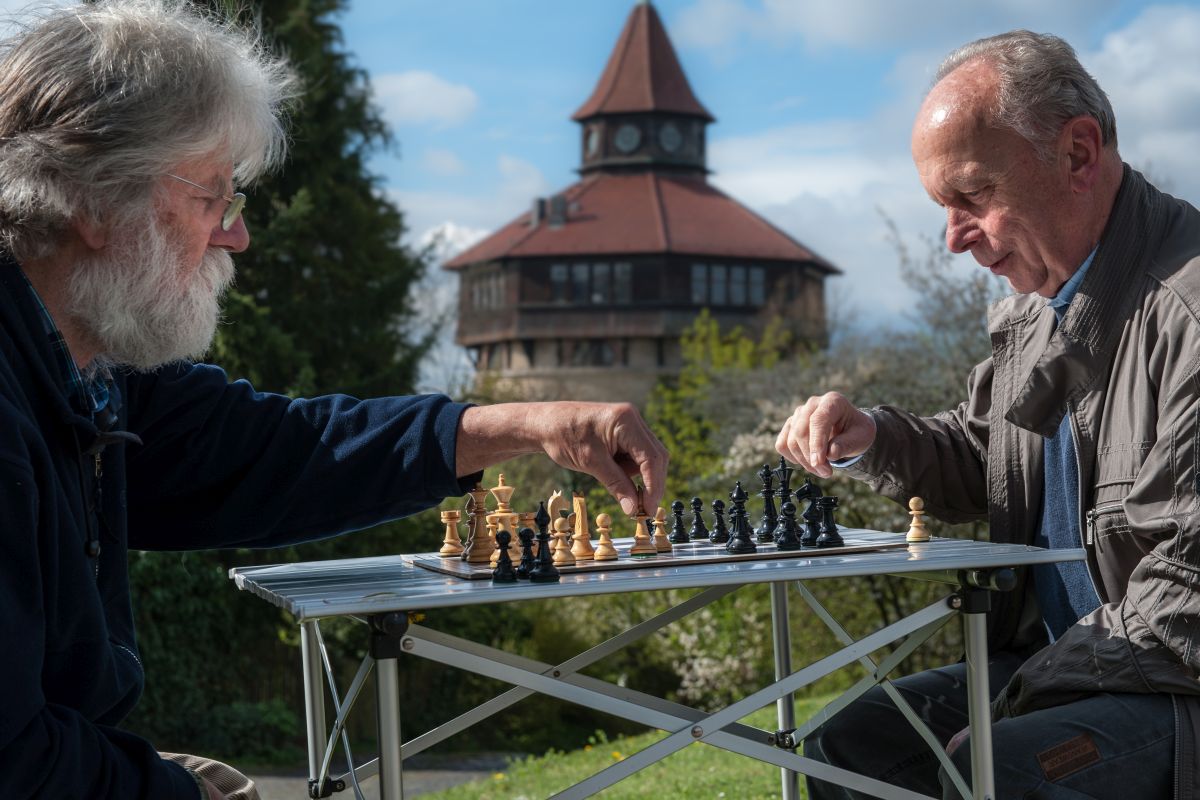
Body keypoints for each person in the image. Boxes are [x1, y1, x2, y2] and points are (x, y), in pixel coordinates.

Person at [0, 2, 668, 799]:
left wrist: (524, 423)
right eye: (213, 196)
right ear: (93, 202)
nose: (235, 235)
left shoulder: (87, 373)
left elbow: (277, 451)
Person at [776, 30, 1200, 800]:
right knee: (844, 743)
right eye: (943, 207)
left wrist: (1020, 694)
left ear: (1078, 154)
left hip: (1171, 684)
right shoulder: (1037, 311)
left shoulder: (1189, 312)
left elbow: (1190, 598)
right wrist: (868, 435)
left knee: (991, 771)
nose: (952, 238)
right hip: (1068, 662)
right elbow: (990, 459)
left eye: (972, 196)